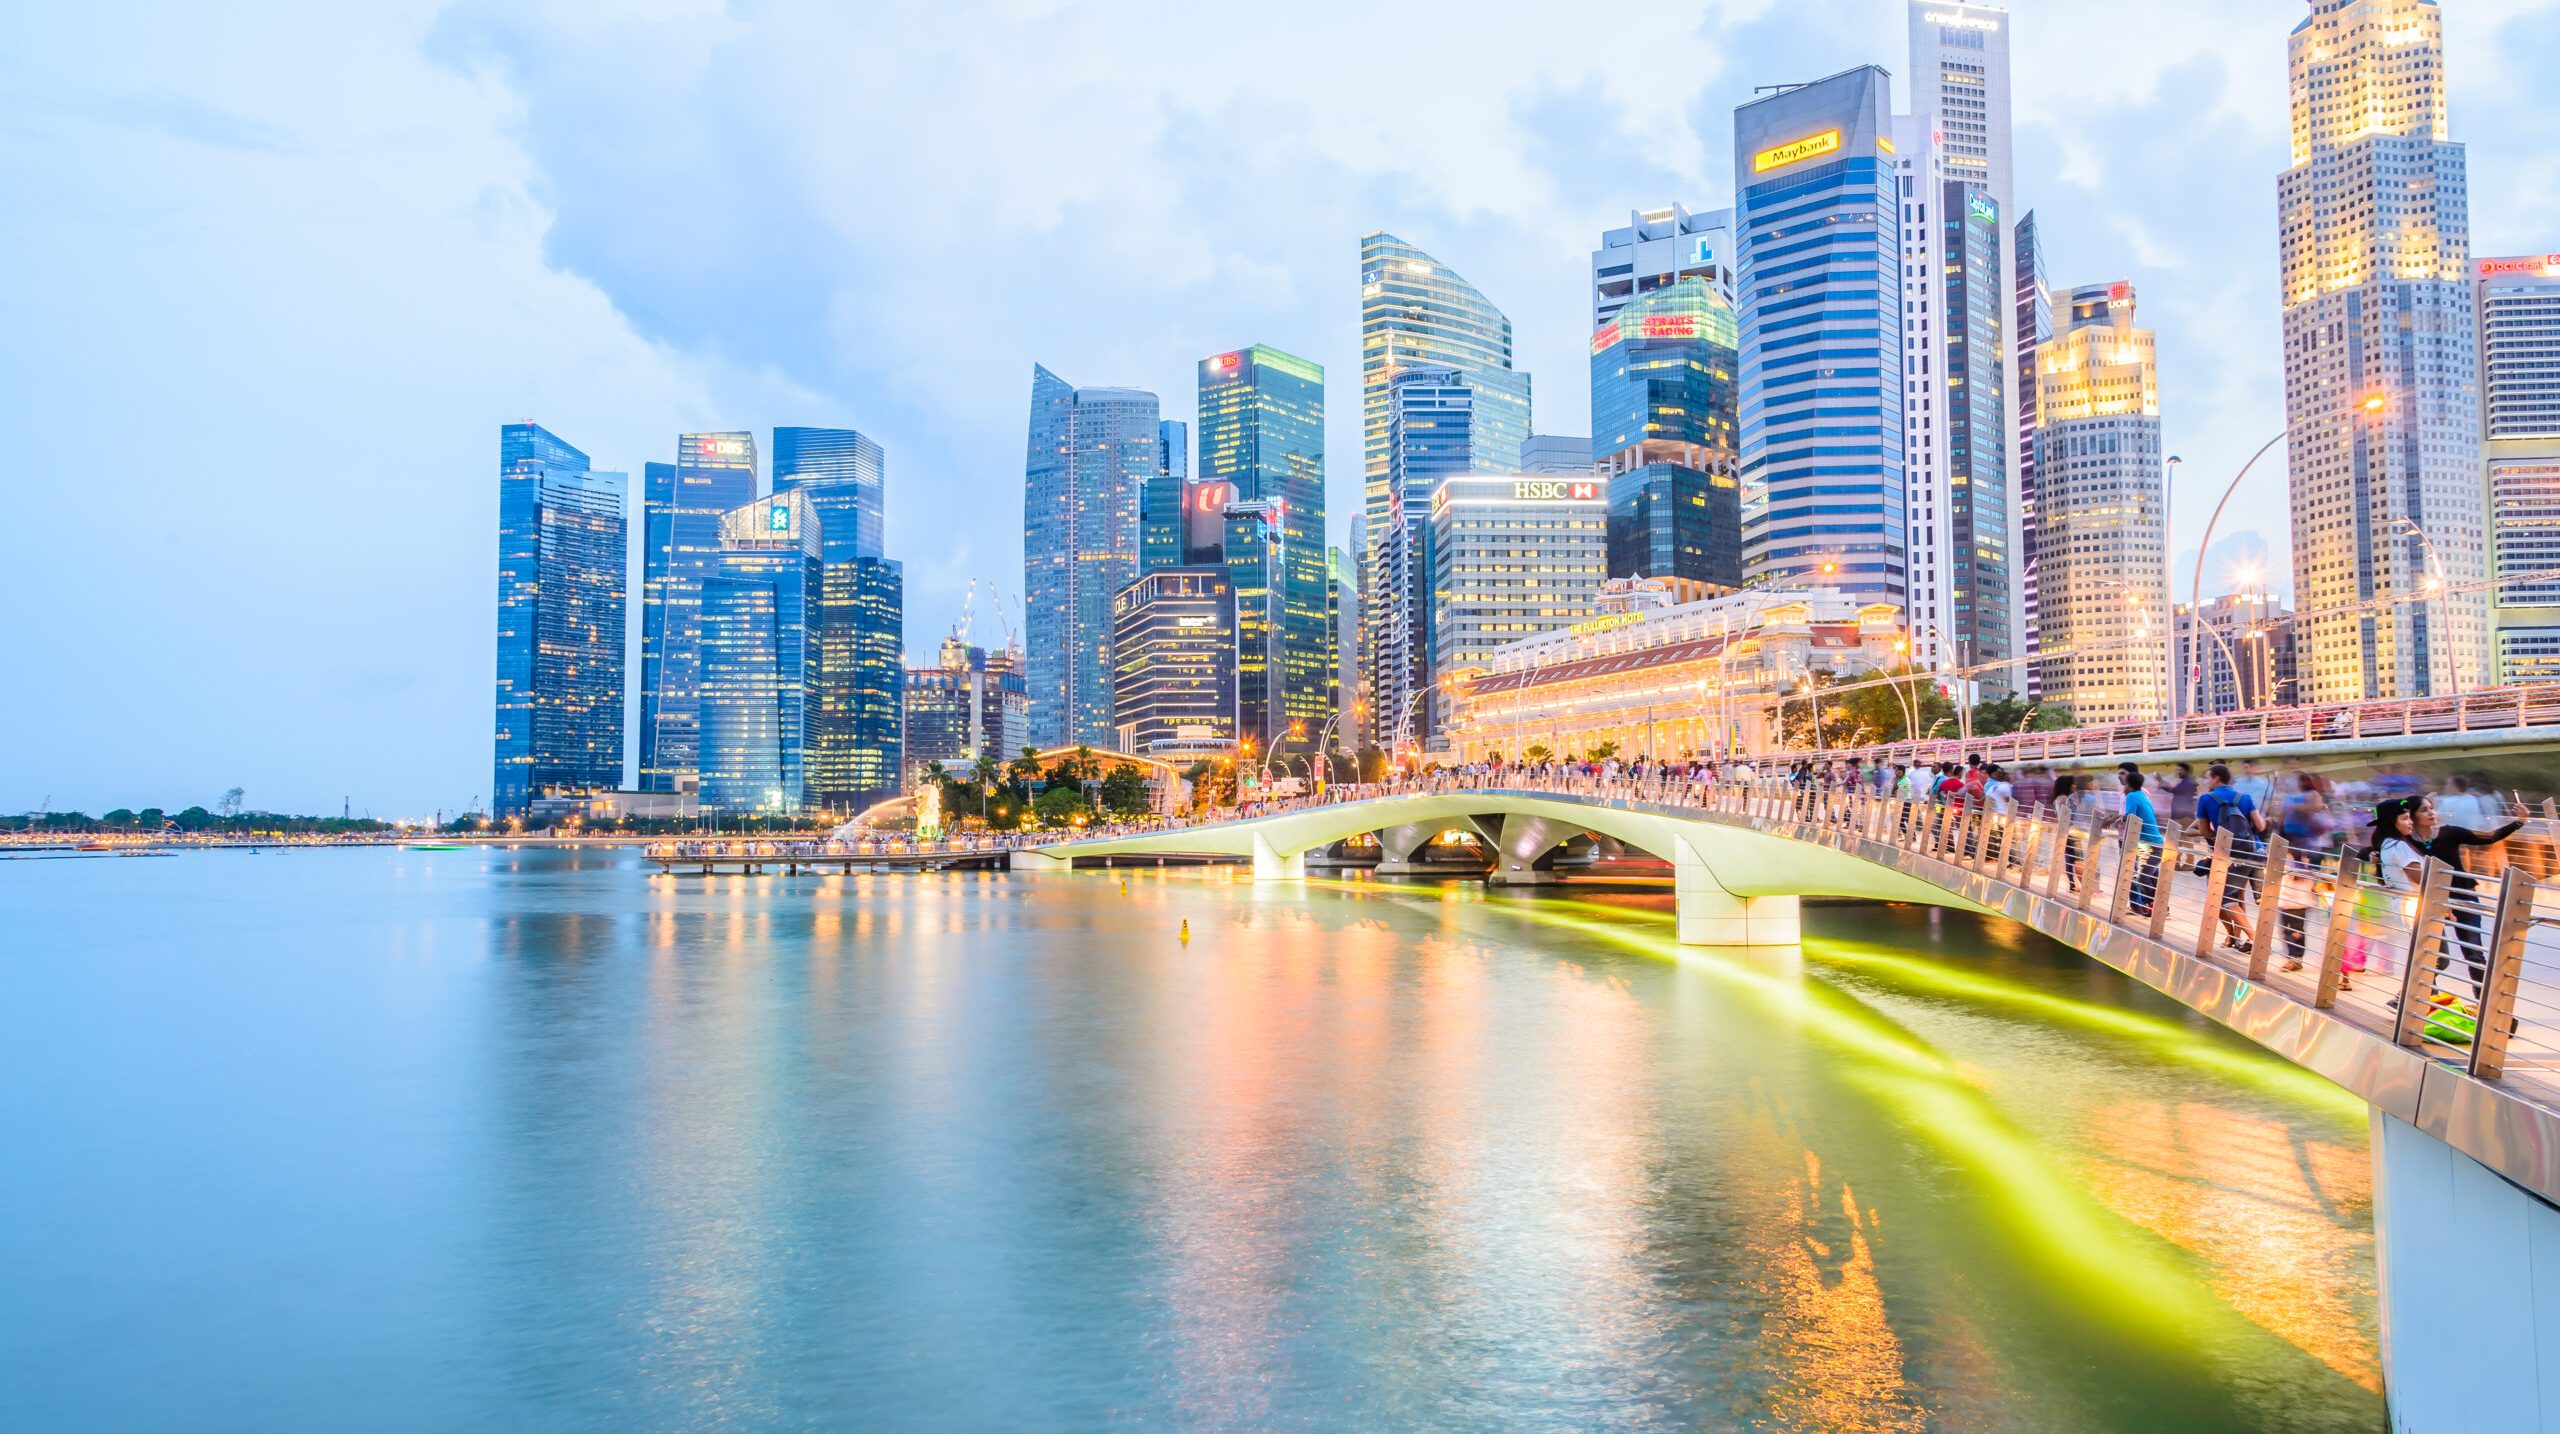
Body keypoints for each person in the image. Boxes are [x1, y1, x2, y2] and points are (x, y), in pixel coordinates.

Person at [2415, 795, 2526, 988]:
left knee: (2474, 953)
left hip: (2463, 895)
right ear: (2411, 816)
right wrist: (2372, 856)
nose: (2431, 812)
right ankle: (2420, 997)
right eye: (2424, 810)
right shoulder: (2406, 840)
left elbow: (2489, 837)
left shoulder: (2449, 833)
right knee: (2429, 951)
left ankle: (2483, 1006)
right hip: (2431, 899)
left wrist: (2519, 821)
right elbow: (2374, 848)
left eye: (2431, 808)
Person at [2191, 762, 2268, 957]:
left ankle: (2254, 938)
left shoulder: (2206, 799)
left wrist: (2216, 837)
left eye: (2208, 777)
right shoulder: (2245, 797)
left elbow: (2203, 830)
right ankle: (2238, 938)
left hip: (2228, 855)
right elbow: (2260, 826)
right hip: (2252, 853)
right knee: (2238, 896)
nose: (2206, 781)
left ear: (2217, 778)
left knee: (2224, 899)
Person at [2118, 765, 2166, 917]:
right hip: (2152, 843)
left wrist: (2119, 819)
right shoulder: (2142, 794)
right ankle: (2153, 905)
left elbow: (2130, 817)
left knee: (2143, 877)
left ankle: (2156, 905)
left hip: (2150, 844)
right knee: (2147, 876)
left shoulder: (2132, 796)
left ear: (2129, 783)